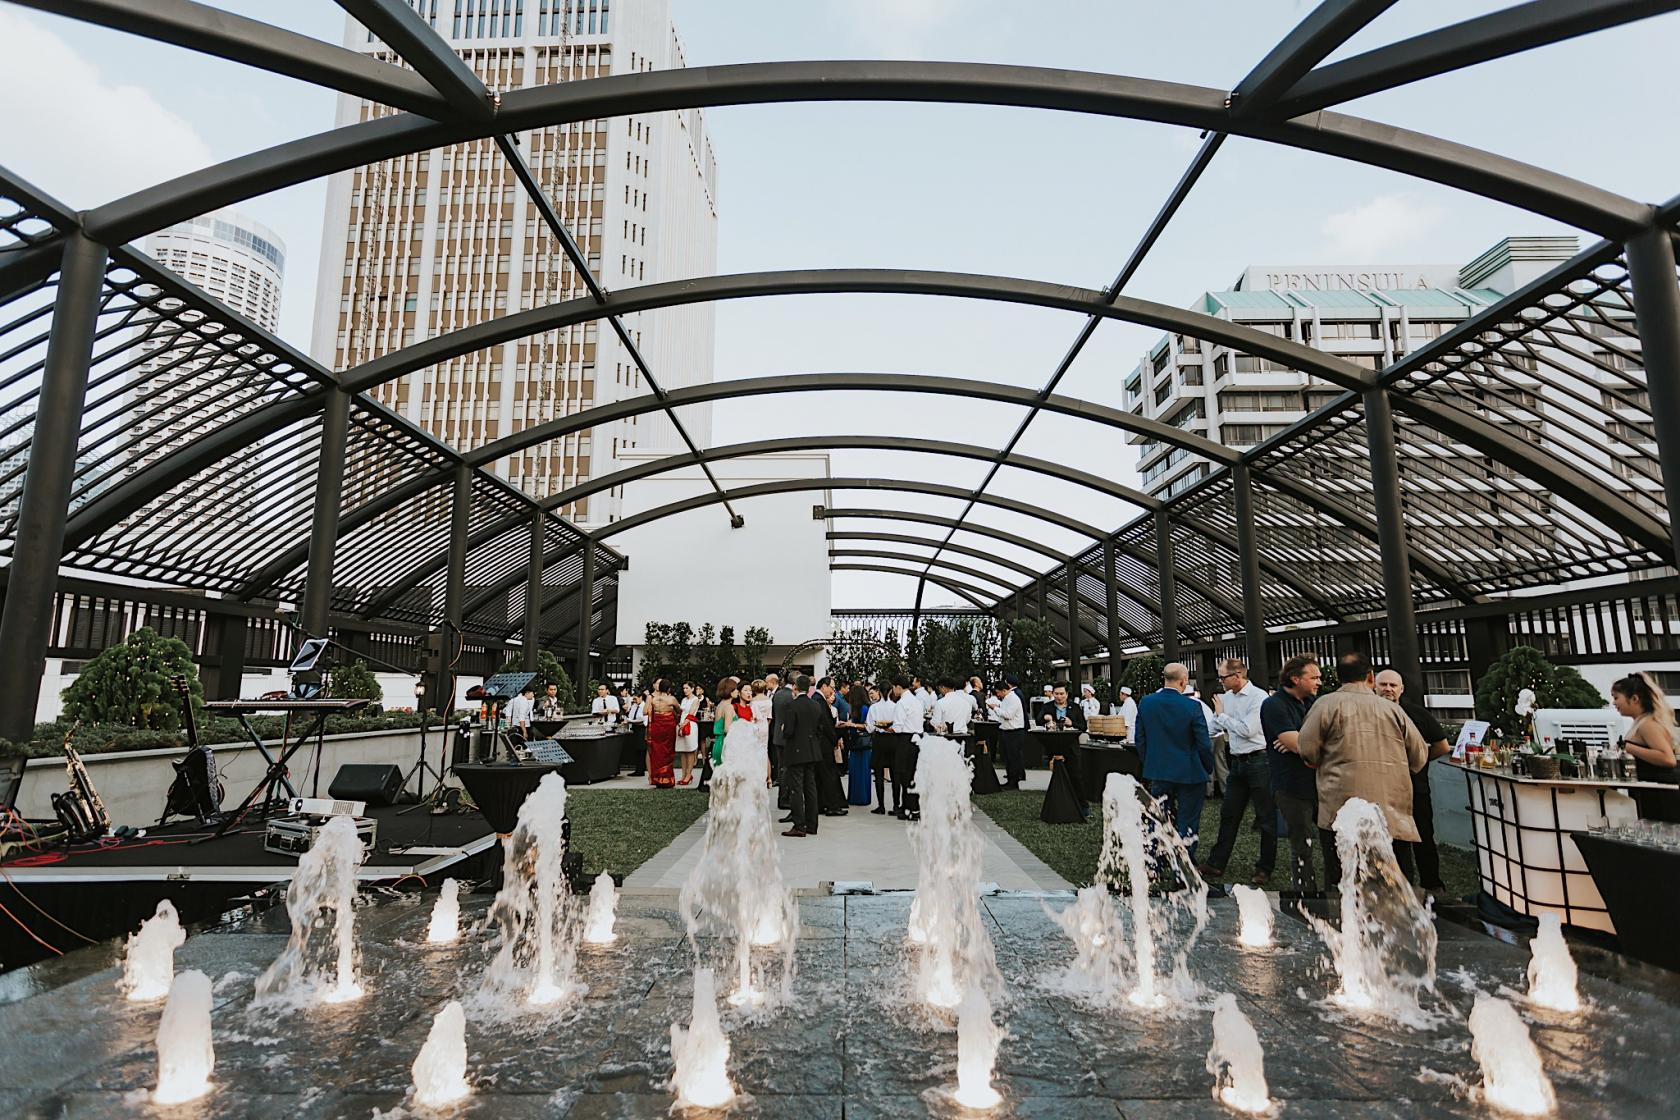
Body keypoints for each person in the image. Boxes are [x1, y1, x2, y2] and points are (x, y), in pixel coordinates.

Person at [1299, 651, 1429, 885]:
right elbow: (1420, 756)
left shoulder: (1325, 705)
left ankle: (1343, 920)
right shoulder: (1393, 709)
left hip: (1340, 807)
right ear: (1371, 676)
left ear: (1338, 677)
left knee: (1343, 879)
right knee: (1395, 879)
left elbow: (1307, 750)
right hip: (1391, 809)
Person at [1201, 658, 1276, 887]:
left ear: (1238, 676)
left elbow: (1247, 730)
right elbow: (1215, 725)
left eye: (1223, 677)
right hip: (1237, 762)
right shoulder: (1227, 699)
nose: (1220, 681)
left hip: (1259, 760)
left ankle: (1264, 868)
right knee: (1229, 814)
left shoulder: (1258, 697)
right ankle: (1217, 862)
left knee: (1266, 818)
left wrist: (1222, 716)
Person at [1374, 668, 1450, 891]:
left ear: (1401, 689)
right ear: (1374, 686)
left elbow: (1442, 746)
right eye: (1383, 684)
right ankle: (1397, 886)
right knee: (1391, 840)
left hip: (1416, 787)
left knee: (1424, 836)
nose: (1388, 689)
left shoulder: (1417, 714)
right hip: (1383, 789)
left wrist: (1417, 763)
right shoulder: (1370, 713)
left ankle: (1432, 884)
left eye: (1392, 685)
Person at [1133, 662, 1216, 857]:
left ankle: (1156, 861)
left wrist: (1150, 763)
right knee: (1188, 821)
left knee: (1159, 818)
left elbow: (1140, 739)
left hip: (1159, 771)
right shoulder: (1193, 706)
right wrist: (1207, 767)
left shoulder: (1146, 702)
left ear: (1164, 678)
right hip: (1190, 772)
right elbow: (1203, 743)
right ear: (1183, 681)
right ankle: (1183, 865)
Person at [1261, 655, 1324, 897]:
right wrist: (1300, 744)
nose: (1319, 681)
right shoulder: (1274, 705)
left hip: (1320, 782)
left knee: (1331, 838)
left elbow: (1312, 742)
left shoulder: (1314, 703)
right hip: (1291, 785)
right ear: (1295, 678)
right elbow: (1297, 745)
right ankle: (1305, 893)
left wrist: (1302, 742)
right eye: (1314, 677)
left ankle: (1335, 890)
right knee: (1302, 842)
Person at [1612, 672, 1680, 821]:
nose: (1614, 703)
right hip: (1651, 791)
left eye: (1616, 698)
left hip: (1660, 794)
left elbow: (1668, 758)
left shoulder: (1648, 724)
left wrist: (1629, 748)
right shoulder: (1641, 722)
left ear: (1634, 699)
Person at [781, 674, 832, 837]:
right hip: (812, 751)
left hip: (796, 751)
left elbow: (789, 731)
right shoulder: (816, 705)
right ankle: (812, 824)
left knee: (796, 788)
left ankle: (799, 825)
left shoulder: (792, 706)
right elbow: (820, 729)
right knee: (810, 788)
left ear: (795, 687)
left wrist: (784, 729)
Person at [817, 676, 849, 816]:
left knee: (821, 775)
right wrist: (835, 738)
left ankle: (821, 804)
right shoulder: (819, 701)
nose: (832, 691)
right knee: (828, 774)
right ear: (824, 686)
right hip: (824, 744)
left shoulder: (819, 700)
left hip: (822, 743)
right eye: (831, 687)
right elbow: (825, 725)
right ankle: (832, 806)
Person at [992, 678, 1027, 790]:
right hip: (1007, 731)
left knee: (1013, 758)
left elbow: (1008, 715)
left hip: (1014, 732)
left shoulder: (1013, 699)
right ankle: (1010, 780)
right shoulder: (1007, 698)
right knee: (1008, 758)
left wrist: (996, 709)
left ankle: (1014, 782)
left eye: (998, 692)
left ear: (1003, 690)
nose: (997, 695)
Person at [645, 679, 679, 788]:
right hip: (668, 726)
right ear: (669, 688)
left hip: (656, 726)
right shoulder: (671, 699)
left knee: (657, 750)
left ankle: (657, 778)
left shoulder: (653, 699)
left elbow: (646, 711)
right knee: (668, 751)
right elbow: (679, 710)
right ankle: (666, 779)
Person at [865, 683, 893, 814]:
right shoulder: (895, 706)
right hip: (893, 739)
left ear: (879, 692)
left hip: (879, 740)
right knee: (894, 773)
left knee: (879, 773)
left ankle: (881, 805)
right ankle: (896, 805)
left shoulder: (874, 708)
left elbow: (870, 728)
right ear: (891, 691)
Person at [768, 673, 794, 808]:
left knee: (781, 767)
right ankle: (785, 798)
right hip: (788, 736)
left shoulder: (777, 694)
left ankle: (783, 798)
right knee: (787, 769)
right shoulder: (792, 696)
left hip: (777, 735)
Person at [676, 681, 703, 787]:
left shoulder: (695, 699)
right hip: (682, 723)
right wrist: (679, 724)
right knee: (682, 750)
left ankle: (689, 774)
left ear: (692, 689)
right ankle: (683, 775)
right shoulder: (683, 700)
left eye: (687, 688)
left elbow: (691, 713)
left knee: (690, 750)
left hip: (690, 724)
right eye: (684, 688)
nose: (685, 690)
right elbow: (681, 712)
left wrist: (684, 724)